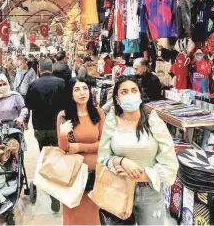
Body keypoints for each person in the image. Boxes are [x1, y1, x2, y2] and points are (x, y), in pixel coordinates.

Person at [97, 76, 179, 225]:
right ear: (117, 98)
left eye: (134, 90)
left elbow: (170, 164)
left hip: (149, 191)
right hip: (117, 188)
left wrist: (142, 175)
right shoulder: (112, 121)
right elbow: (103, 157)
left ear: (140, 94)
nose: (130, 94)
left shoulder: (153, 121)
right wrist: (121, 161)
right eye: (124, 92)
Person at [57, 77, 105, 225]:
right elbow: (63, 149)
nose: (82, 93)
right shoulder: (64, 116)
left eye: (85, 88)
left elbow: (104, 144)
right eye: (77, 89)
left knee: (92, 215)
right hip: (73, 174)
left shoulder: (98, 113)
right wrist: (63, 134)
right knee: (73, 216)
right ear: (71, 93)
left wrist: (80, 147)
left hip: (94, 174)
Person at [25, 59, 66, 212]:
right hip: (58, 126)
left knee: (45, 156)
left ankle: (51, 189)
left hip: (40, 127)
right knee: (57, 156)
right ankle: (57, 190)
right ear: (52, 68)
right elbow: (67, 103)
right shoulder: (61, 83)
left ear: (39, 69)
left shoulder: (34, 84)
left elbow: (28, 105)